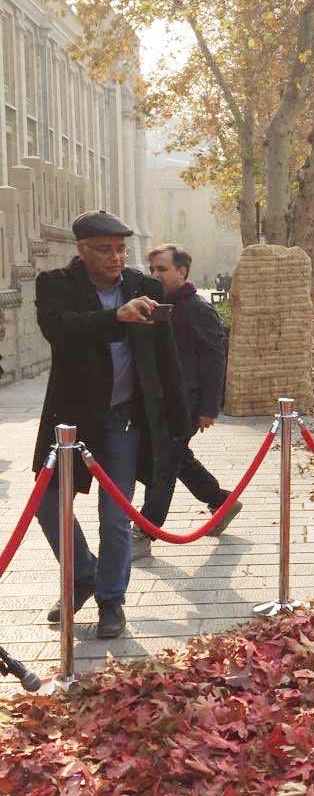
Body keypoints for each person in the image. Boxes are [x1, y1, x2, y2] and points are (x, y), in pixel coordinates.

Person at [32, 211, 189, 639]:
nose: (116, 258)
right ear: (81, 251)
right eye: (105, 250)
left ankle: (111, 601)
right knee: (47, 505)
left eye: (121, 249)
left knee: (116, 517)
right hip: (70, 423)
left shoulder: (145, 287)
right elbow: (60, 331)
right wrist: (115, 317)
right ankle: (83, 573)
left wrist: (181, 414)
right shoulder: (56, 285)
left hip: (126, 419)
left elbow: (164, 356)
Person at [131, 244, 242, 560]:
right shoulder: (155, 306)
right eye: (152, 270)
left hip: (188, 405)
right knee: (176, 458)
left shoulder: (197, 308)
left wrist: (209, 407)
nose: (156, 275)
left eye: (162, 269)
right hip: (158, 404)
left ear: (182, 271)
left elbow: (214, 359)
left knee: (163, 464)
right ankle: (221, 501)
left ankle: (145, 531)